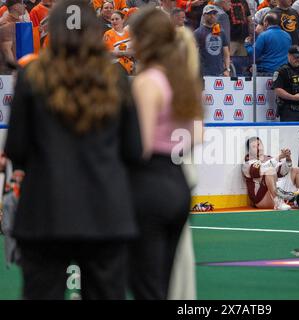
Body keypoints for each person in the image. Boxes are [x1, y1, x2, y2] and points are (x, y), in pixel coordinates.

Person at [4, 0, 140, 300]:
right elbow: (133, 150)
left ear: (53, 31)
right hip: (106, 209)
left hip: (44, 208)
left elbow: (16, 148)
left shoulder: (32, 77)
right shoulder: (115, 78)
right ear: (93, 31)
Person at [127, 7, 203, 299]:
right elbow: (198, 133)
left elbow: (141, 145)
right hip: (177, 181)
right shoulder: (182, 78)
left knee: (146, 284)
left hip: (149, 184)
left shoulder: (148, 81)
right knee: (165, 279)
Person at [242, 137, 299, 211]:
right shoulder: (248, 163)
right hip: (261, 200)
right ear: (249, 150)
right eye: (254, 147)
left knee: (296, 170)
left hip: (278, 193)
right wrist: (279, 157)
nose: (258, 148)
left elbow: (283, 172)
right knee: (270, 171)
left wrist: (288, 158)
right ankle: (278, 203)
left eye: (259, 145)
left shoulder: (268, 158)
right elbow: (263, 168)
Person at [194, 5, 231, 77]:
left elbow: (226, 53)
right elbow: (193, 55)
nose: (212, 16)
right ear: (204, 15)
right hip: (204, 74)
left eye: (214, 13)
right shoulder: (198, 33)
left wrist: (227, 69)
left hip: (220, 73)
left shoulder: (221, 31)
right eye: (209, 13)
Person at [103, 11, 135, 75]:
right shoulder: (108, 34)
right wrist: (124, 53)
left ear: (123, 20)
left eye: (117, 19)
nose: (114, 21)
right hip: (116, 65)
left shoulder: (128, 32)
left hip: (131, 64)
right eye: (112, 20)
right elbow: (108, 53)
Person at [0, 0, 26, 74]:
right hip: (8, 73)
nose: (25, 6)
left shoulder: (19, 21)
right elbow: (7, 51)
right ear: (15, 7)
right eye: (22, 4)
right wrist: (16, 71)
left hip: (19, 66)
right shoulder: (6, 24)